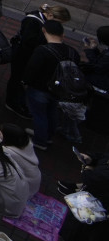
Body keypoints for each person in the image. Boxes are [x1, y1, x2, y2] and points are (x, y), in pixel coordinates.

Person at [23, 17, 81, 151]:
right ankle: (48, 136)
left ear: (44, 31)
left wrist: (25, 82)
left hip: (39, 88)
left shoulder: (42, 50)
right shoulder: (73, 52)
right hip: (60, 89)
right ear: (63, 34)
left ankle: (40, 141)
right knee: (52, 112)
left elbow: (31, 70)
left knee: (39, 115)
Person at [8, 2, 70, 116]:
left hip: (28, 55)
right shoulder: (33, 21)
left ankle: (17, 100)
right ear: (51, 16)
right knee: (17, 78)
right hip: (22, 56)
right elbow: (28, 42)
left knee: (18, 79)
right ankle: (12, 102)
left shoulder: (42, 21)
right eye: (59, 22)